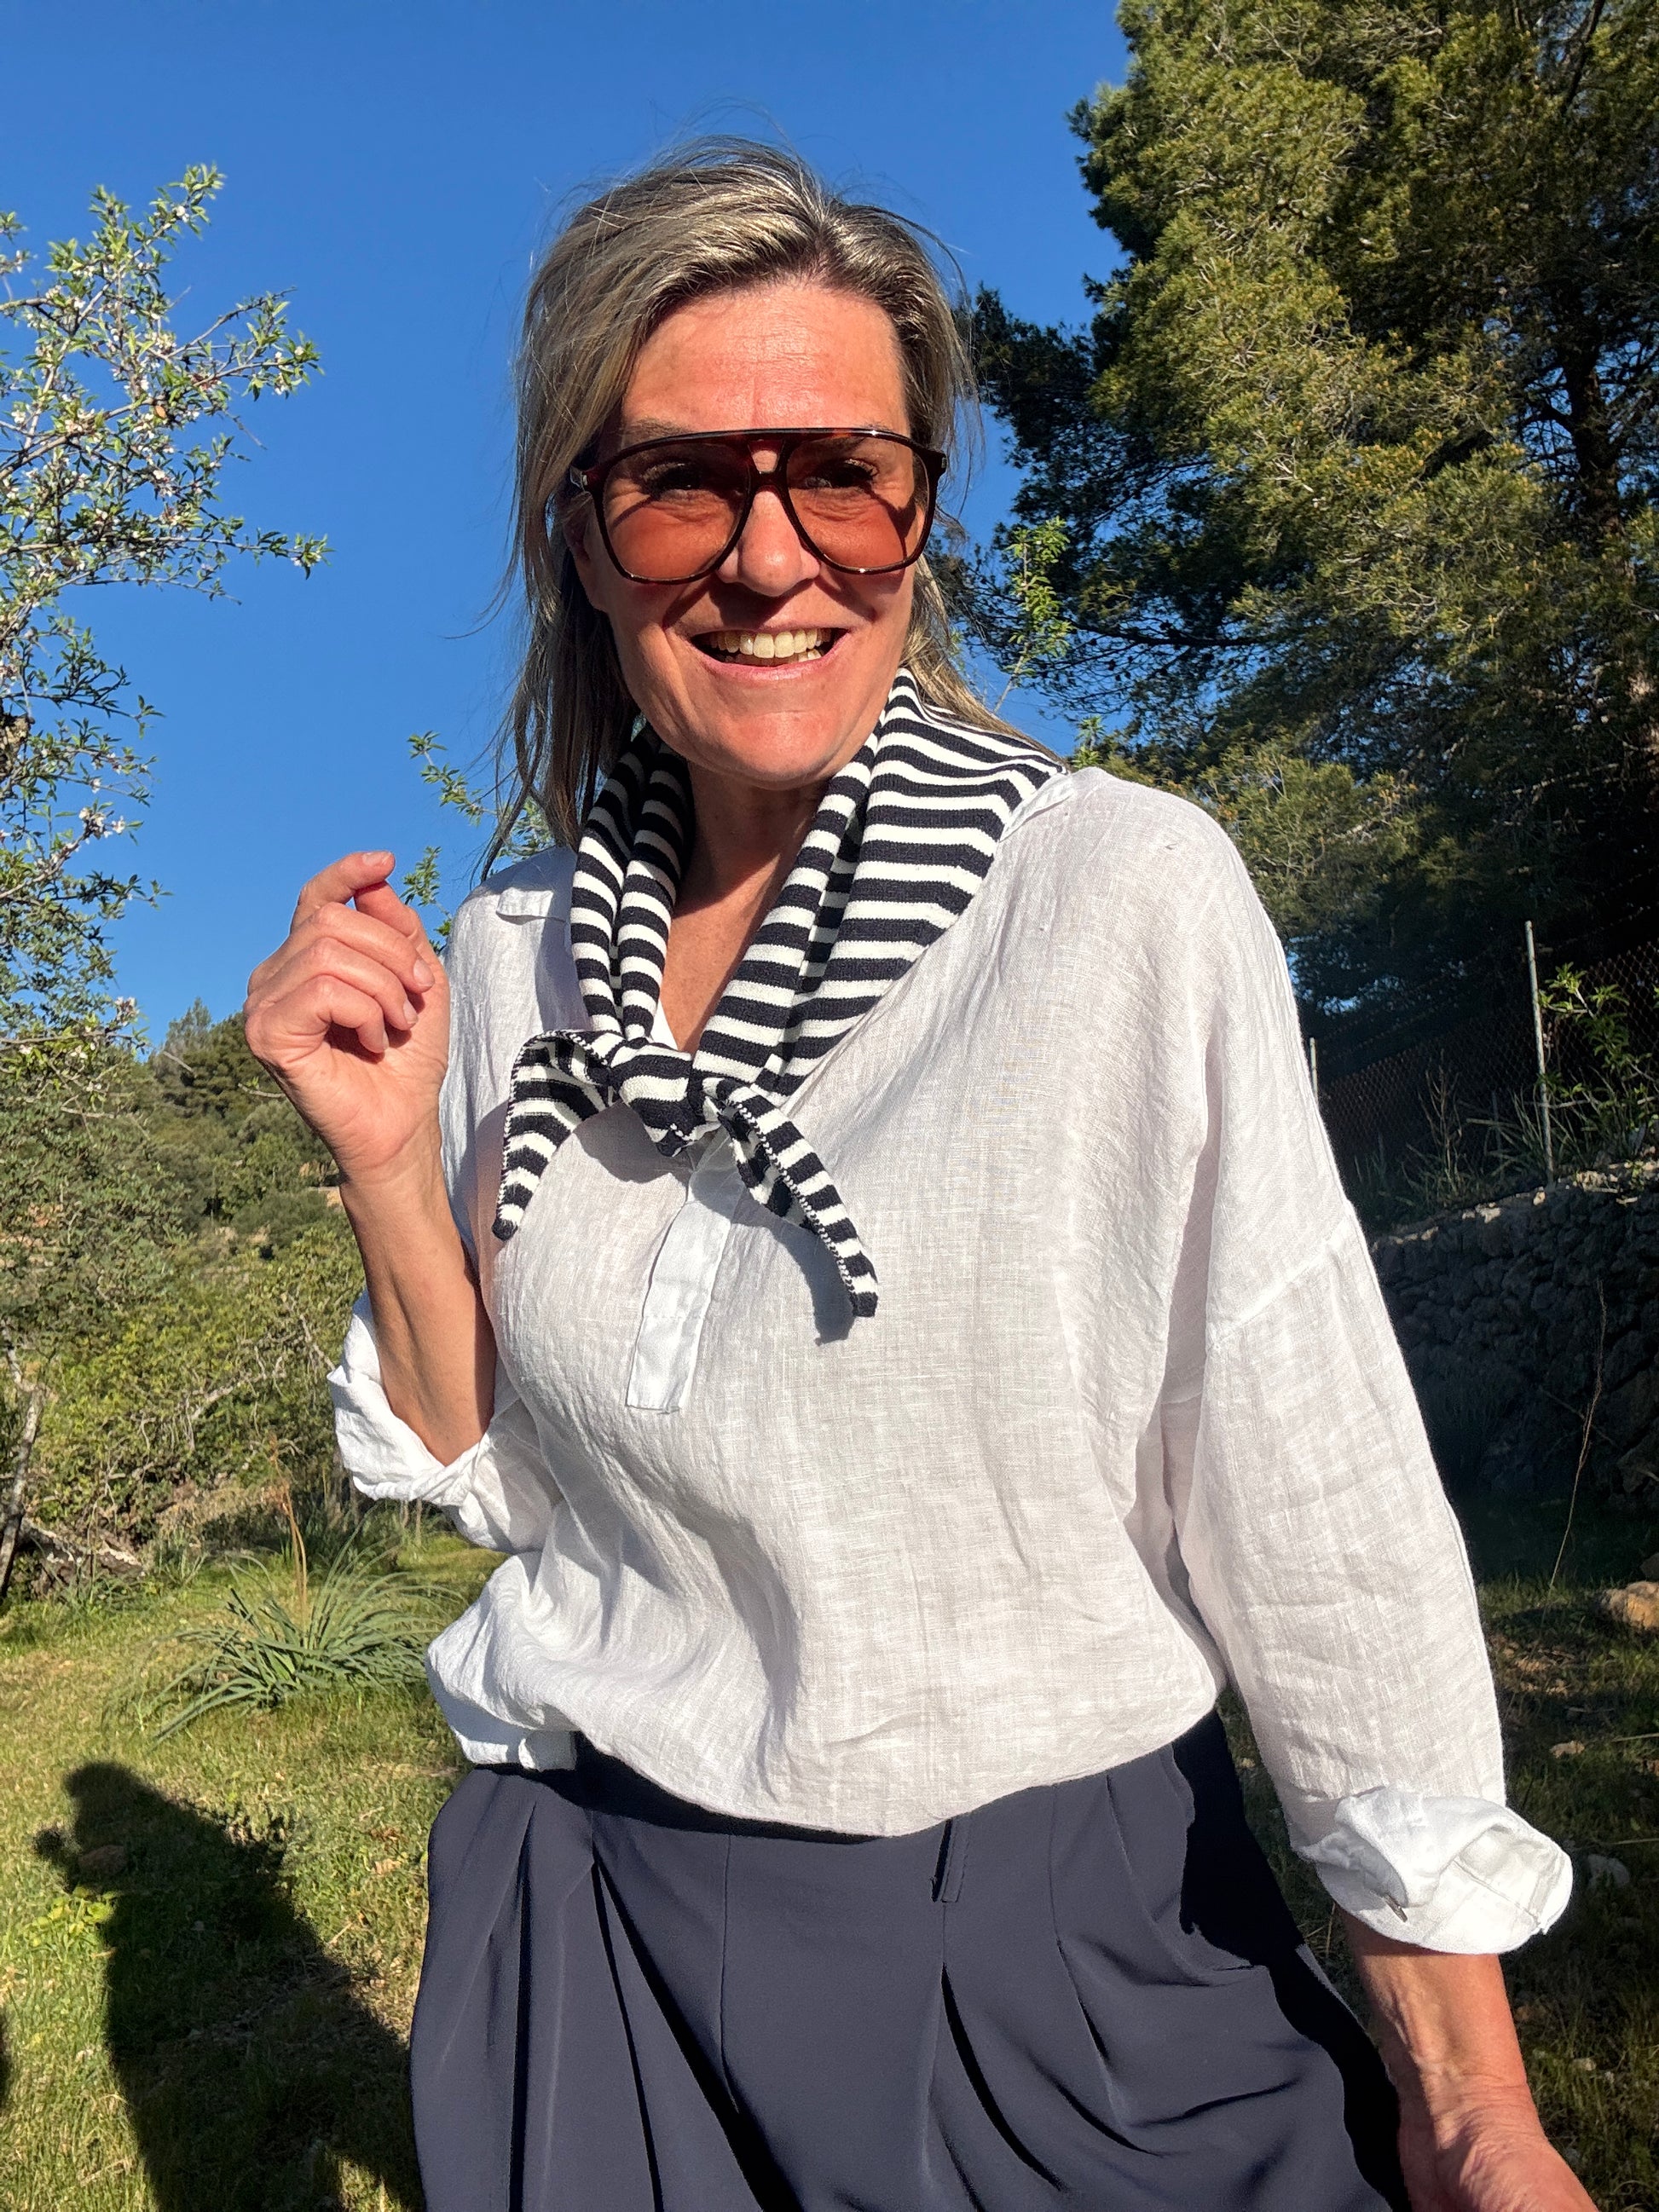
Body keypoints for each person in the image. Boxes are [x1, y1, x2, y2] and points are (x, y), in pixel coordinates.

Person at [246, 144, 1591, 2212]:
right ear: (582, 536)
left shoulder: (1113, 898)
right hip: (589, 1921)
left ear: (921, 514)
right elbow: (500, 1474)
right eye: (683, 481)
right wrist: (382, 1165)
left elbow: (1308, 1488)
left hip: (1038, 1942)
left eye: (843, 474)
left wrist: (1473, 2100)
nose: (770, 556)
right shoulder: (516, 955)